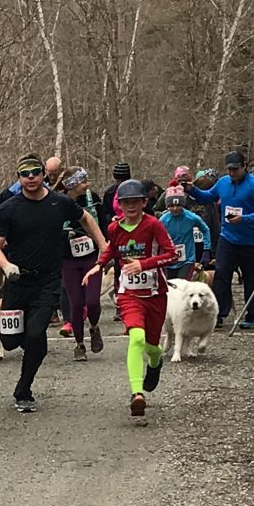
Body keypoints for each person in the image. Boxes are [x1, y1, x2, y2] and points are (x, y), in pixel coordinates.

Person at [0, 154, 105, 412]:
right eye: (25, 173)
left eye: (35, 172)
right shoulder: (8, 208)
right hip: (17, 281)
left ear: (44, 175)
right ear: (18, 178)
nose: (30, 177)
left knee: (35, 332)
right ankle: (34, 349)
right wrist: (6, 266)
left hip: (48, 281)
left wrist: (104, 247)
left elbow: (85, 218)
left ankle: (24, 388)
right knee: (9, 341)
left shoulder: (59, 203)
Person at [82, 179, 178, 417]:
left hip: (155, 293)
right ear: (119, 205)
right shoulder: (115, 228)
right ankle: (137, 394)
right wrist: (99, 266)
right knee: (136, 337)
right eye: (126, 203)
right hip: (128, 293)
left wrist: (144, 264)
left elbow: (172, 254)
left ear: (145, 202)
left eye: (136, 202)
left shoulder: (153, 225)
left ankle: (155, 363)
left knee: (152, 346)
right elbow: (112, 249)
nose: (131, 207)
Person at [184, 150, 254, 329]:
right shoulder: (223, 183)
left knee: (251, 279)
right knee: (221, 276)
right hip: (228, 239)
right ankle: (219, 314)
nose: (232, 173)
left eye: (235, 169)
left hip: (252, 241)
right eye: (229, 169)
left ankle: (252, 315)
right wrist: (192, 190)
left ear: (244, 167)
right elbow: (208, 197)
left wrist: (245, 218)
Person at [55, 166, 109, 361]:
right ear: (72, 184)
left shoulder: (92, 198)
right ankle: (79, 344)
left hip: (91, 257)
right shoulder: (59, 202)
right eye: (83, 181)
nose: (87, 184)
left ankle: (94, 327)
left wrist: (105, 248)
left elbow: (103, 222)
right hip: (68, 259)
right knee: (76, 303)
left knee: (93, 301)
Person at [159, 186, 212, 280]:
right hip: (169, 261)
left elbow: (205, 229)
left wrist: (206, 249)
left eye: (178, 205)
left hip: (187, 260)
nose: (175, 209)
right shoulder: (163, 220)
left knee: (183, 286)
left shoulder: (192, 217)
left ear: (183, 205)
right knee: (170, 288)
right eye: (171, 206)